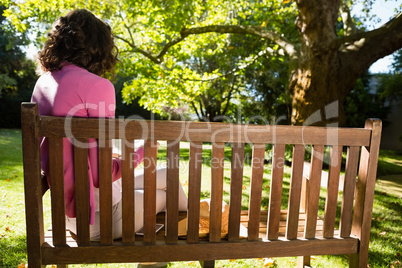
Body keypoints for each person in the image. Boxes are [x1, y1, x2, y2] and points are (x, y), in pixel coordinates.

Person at [31, 9, 187, 247]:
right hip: (99, 219)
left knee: (169, 174)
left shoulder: (43, 83)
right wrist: (141, 154)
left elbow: (71, 154)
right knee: (166, 196)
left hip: (65, 214)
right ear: (100, 46)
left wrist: (117, 155)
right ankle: (175, 247)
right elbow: (102, 175)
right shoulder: (98, 86)